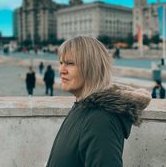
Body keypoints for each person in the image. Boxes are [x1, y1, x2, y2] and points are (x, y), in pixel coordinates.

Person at [46, 36, 151, 167]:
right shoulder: (82, 107)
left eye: (70, 63)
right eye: (61, 63)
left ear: (91, 68)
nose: (61, 70)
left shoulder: (99, 120)